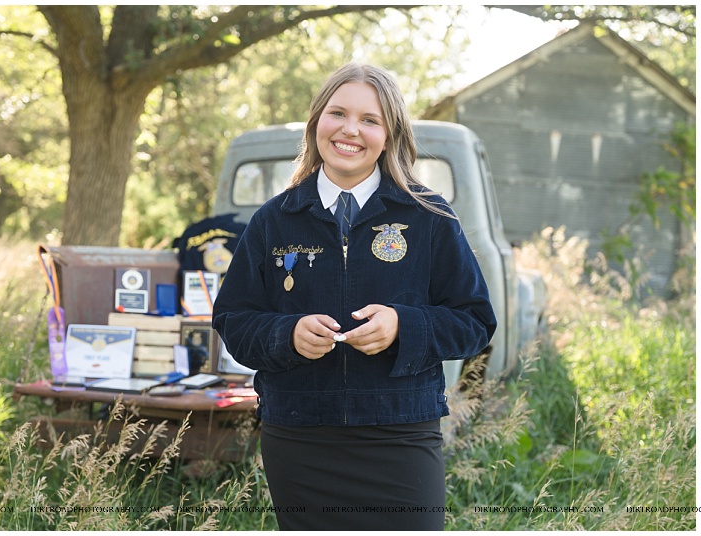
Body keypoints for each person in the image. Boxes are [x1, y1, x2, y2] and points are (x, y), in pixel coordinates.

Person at [212, 63, 496, 531]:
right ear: (316, 122)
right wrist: (287, 334)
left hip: (400, 434)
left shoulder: (427, 215)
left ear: (390, 134)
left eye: (370, 119)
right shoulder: (273, 219)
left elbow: (475, 321)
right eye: (337, 113)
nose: (350, 130)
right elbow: (234, 319)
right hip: (300, 434)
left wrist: (404, 325)